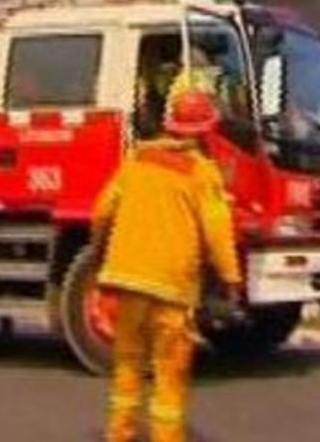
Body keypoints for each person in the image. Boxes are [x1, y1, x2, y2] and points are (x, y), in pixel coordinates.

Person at [92, 90, 242, 442]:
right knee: (169, 371)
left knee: (128, 363)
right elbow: (217, 229)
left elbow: (102, 211)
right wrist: (230, 276)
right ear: (205, 130)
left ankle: (120, 433)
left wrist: (101, 252)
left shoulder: (137, 160)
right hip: (171, 287)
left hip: (126, 280)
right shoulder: (201, 172)